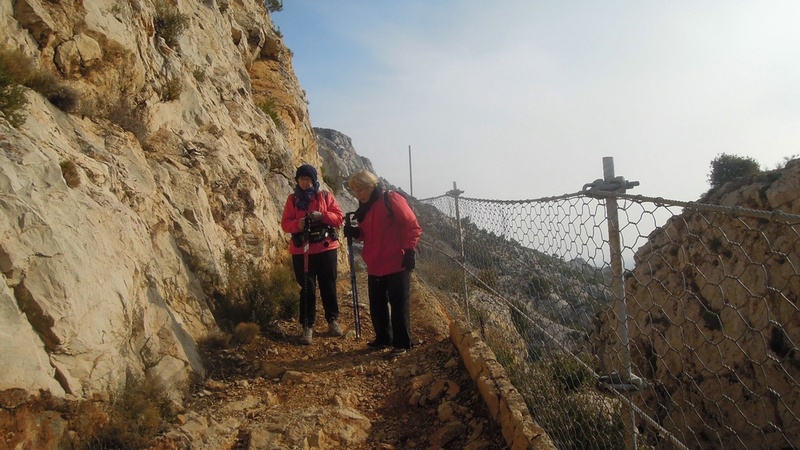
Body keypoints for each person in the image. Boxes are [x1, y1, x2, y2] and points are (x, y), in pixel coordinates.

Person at [344, 170, 422, 355]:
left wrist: (409, 250)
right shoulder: (366, 207)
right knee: (377, 305)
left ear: (371, 186)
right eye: (356, 191)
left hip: (396, 261)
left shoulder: (391, 199)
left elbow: (411, 225)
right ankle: (383, 338)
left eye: (360, 190)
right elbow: (367, 233)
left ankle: (403, 343)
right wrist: (356, 233)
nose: (358, 195)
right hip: (375, 263)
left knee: (398, 304)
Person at [281, 164, 344, 345]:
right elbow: (285, 224)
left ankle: (332, 319)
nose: (305, 182)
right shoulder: (292, 200)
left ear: (314, 180)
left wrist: (321, 215)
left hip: (326, 248)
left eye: (308, 179)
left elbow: (339, 217)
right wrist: (298, 224)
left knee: (328, 285)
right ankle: (307, 325)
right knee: (307, 287)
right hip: (303, 250)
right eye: (301, 179)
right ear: (297, 180)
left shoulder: (324, 196)